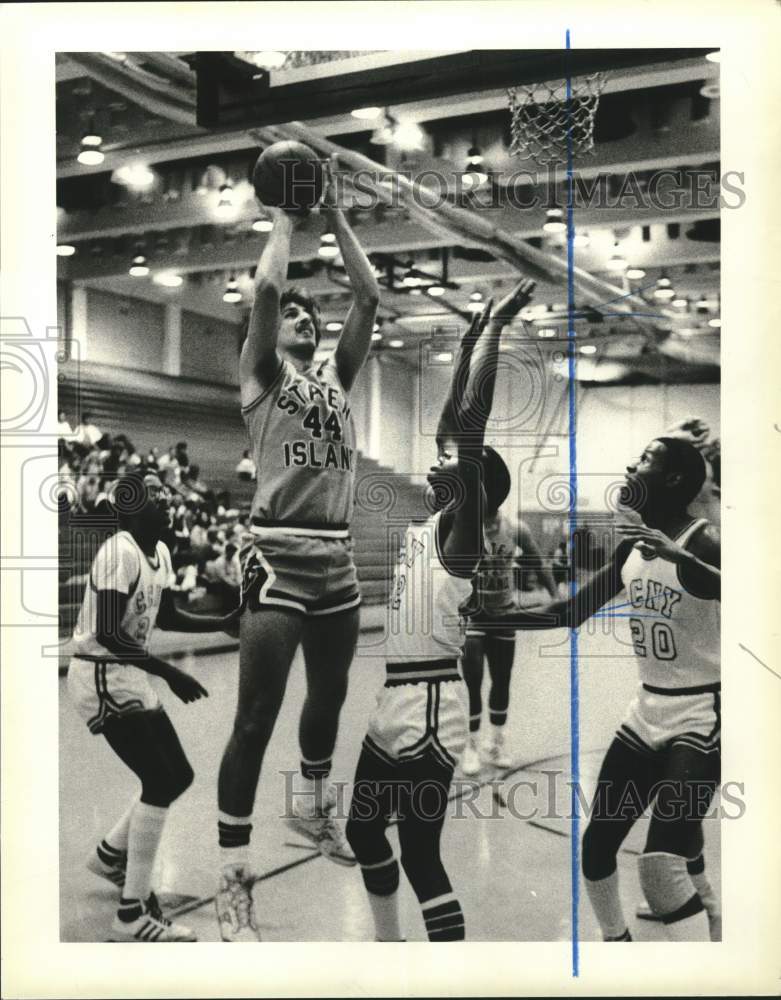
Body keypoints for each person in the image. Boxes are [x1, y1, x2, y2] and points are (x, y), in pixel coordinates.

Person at [215, 157, 379, 941]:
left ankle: (316, 810)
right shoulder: (261, 377)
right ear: (268, 334)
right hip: (277, 553)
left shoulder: (338, 382)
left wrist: (339, 214)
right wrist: (285, 212)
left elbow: (370, 295)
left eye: (313, 321)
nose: (305, 324)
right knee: (254, 719)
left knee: (330, 699)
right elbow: (270, 291)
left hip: (336, 557)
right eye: (295, 320)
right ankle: (231, 881)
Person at [345, 278, 536, 942]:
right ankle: (389, 951)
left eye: (452, 463)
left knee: (420, 854)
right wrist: (464, 341)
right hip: (394, 700)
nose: (435, 462)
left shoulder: (464, 533)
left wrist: (497, 331)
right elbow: (455, 420)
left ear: (473, 485)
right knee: (362, 829)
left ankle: (439, 970)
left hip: (430, 704)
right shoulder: (432, 523)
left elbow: (471, 425)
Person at [473, 435, 721, 942]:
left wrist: (683, 559)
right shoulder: (632, 545)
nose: (631, 462)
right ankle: (619, 946)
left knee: (660, 867)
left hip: (702, 712)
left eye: (646, 458)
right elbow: (570, 611)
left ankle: (707, 962)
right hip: (647, 709)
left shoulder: (704, 541)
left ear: (673, 479)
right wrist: (495, 615)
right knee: (596, 847)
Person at [67, 471, 237, 942]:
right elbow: (107, 632)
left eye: (167, 495)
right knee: (160, 780)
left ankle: (109, 856)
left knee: (176, 776)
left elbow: (168, 615)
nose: (167, 504)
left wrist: (223, 622)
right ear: (130, 510)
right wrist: (170, 672)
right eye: (155, 499)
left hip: (128, 673)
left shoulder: (159, 554)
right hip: (100, 674)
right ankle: (130, 914)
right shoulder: (118, 553)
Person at [461, 501, 558, 774]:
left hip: (504, 615)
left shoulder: (516, 529)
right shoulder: (464, 529)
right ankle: (471, 744)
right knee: (473, 680)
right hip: (474, 616)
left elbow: (538, 562)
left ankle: (496, 741)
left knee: (502, 680)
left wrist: (557, 598)